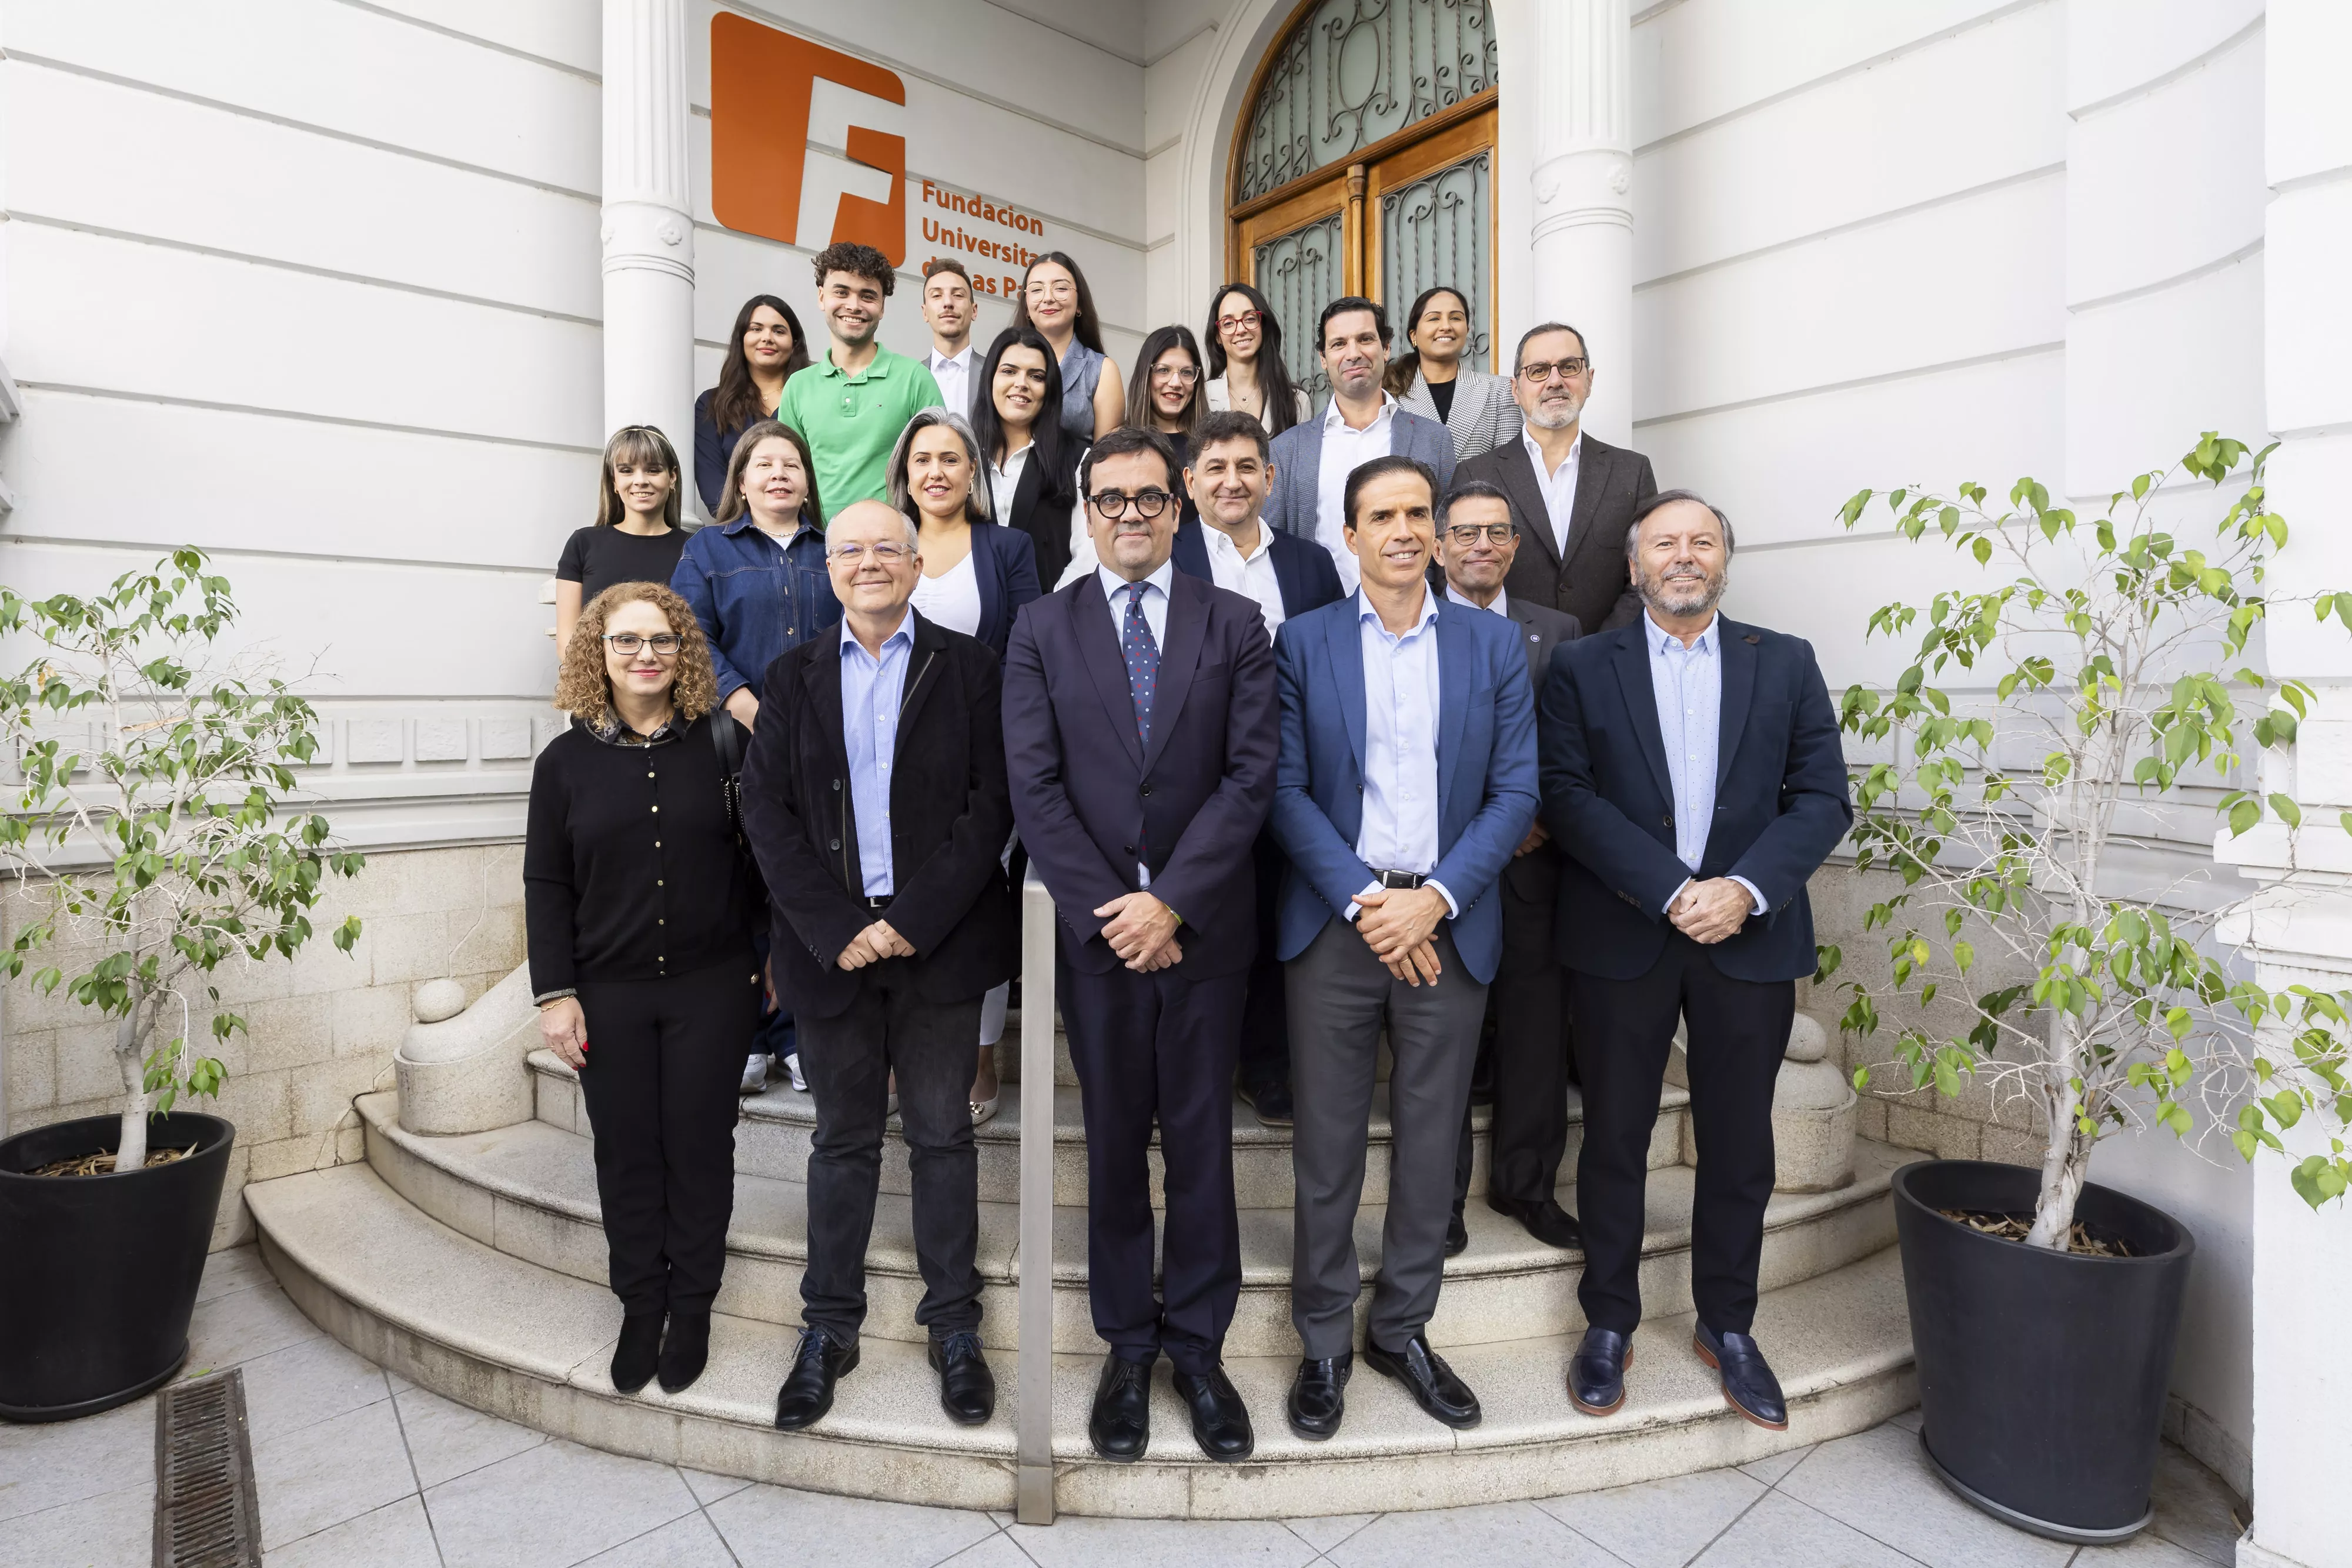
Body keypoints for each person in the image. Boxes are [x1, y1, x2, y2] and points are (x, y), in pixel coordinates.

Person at [1541, 490, 1851, 1432]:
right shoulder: (1580, 666)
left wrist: (1742, 889)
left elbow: (1822, 798)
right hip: (1624, 933)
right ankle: (1609, 1319)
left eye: (1702, 541)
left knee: (1740, 1143)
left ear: (1725, 560)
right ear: (1634, 567)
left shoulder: (1786, 661)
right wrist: (1674, 887)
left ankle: (1730, 1321)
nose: (1684, 556)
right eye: (1665, 543)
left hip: (1748, 938)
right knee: (1617, 1139)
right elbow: (1566, 792)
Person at [1001, 426, 1277, 1465]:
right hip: (1098, 937)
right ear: (1087, 510)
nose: (1130, 515)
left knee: (1202, 1148)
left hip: (1205, 936)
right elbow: (1035, 783)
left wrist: (1175, 904)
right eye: (1110, 499)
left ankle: (1198, 1350)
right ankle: (1126, 1347)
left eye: (1149, 499)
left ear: (1180, 508)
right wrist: (1118, 908)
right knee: (1116, 1144)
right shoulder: (1041, 627)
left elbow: (1252, 777)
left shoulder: (1239, 622)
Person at [1267, 454, 1536, 1443]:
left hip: (1449, 923)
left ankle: (1404, 1327)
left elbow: (1516, 791)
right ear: (1350, 534)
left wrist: (1434, 902)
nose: (1405, 529)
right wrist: (1366, 902)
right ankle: (1327, 1340)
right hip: (1338, 924)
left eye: (1419, 511)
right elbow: (1284, 790)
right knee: (1329, 1146)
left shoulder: (1491, 644)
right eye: (1382, 514)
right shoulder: (1303, 643)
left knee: (1432, 1144)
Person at [741, 501, 1017, 1433]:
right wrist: (838, 927)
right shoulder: (791, 676)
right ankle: (829, 1327)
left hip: (936, 948)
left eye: (885, 549)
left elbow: (994, 807)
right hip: (833, 954)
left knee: (942, 1135)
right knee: (842, 1140)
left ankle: (954, 1328)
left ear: (914, 564)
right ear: (831, 569)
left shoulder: (971, 668)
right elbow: (765, 815)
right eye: (850, 549)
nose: (868, 563)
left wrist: (910, 920)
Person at [526, 582, 761, 1401]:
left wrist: (767, 963)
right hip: (609, 992)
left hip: (714, 986)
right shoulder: (562, 764)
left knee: (700, 1146)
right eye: (626, 641)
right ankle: (641, 1301)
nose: (646, 654)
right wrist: (555, 994)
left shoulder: (723, 742)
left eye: (662, 639)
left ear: (684, 649)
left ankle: (692, 1303)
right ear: (598, 651)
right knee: (625, 1151)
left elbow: (758, 861)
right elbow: (546, 883)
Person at [1167, 409, 1344, 1125]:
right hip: (1194, 781)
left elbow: (1335, 667)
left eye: (1246, 467)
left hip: (1293, 774)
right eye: (1215, 468)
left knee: (1278, 919)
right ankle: (1189, 1067)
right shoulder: (1166, 554)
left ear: (1270, 478)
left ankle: (1267, 1065)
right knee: (1199, 920)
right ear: (1189, 482)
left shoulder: (1309, 563)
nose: (1232, 481)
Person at [1428, 481, 1583, 1257]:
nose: (1480, 544)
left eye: (1495, 531)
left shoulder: (1558, 630)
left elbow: (1574, 738)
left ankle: (1527, 1183)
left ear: (1515, 545)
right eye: (1464, 532)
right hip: (1443, 867)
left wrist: (1530, 819)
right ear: (1438, 544)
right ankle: (1441, 1194)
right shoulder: (1412, 621)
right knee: (1447, 1038)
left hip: (1535, 861)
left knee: (1533, 1033)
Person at [673, 420, 840, 1095]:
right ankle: (747, 1034)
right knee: (738, 889)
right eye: (763, 464)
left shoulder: (833, 549)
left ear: (806, 481)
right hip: (731, 744)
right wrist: (750, 707)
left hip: (822, 744)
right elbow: (688, 633)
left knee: (801, 884)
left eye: (791, 464)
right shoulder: (708, 550)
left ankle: (796, 1035)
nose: (779, 474)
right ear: (740, 481)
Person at [886, 408, 1041, 1123]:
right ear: (905, 473)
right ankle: (904, 1042)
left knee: (974, 902)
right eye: (923, 460)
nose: (937, 472)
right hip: (891, 757)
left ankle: (979, 1053)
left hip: (984, 754)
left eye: (950, 459)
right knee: (901, 894)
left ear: (972, 472)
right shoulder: (884, 544)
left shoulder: (1006, 548)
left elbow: (1026, 646)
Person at [1455, 322, 1659, 634]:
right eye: (1538, 370)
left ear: (1589, 380)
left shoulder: (1631, 472)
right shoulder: (1475, 473)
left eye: (1568, 367)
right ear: (1516, 389)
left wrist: (1600, 649)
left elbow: (1647, 573)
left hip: (1603, 661)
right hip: (1507, 662)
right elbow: (1455, 574)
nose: (1555, 381)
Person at [1264, 296, 1455, 594]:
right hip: (1319, 619)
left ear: (1386, 348)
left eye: (1365, 339)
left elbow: (1447, 540)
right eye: (1339, 344)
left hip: (1412, 617)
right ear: (1323, 359)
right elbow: (1274, 545)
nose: (1353, 354)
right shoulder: (1287, 450)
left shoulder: (1434, 440)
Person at [777, 242, 946, 517]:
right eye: (841, 292)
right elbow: (788, 471)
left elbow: (937, 470)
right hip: (817, 549)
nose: (853, 306)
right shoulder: (798, 387)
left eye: (867, 296)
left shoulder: (914, 379)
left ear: (882, 307)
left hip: (894, 548)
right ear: (822, 297)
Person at [971, 326, 1088, 591]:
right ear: (990, 378)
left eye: (1036, 376)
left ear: (1049, 389)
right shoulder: (964, 454)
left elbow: (1087, 556)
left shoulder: (1078, 457)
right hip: (973, 621)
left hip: (1050, 617)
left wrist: (1049, 614)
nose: (1021, 383)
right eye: (1009, 371)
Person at [556, 426, 689, 652]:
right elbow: (568, 643)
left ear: (672, 477)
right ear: (614, 482)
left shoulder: (696, 548)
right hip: (597, 683)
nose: (640, 480)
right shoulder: (583, 544)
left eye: (653, 470)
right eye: (627, 471)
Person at [694, 296, 811, 516]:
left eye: (778, 331)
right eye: (756, 329)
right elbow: (713, 487)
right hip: (738, 532)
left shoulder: (813, 399)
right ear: (742, 338)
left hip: (807, 530)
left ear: (794, 343)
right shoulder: (712, 405)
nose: (767, 338)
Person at [1388, 286, 1521, 462]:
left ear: (1467, 330)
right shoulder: (1390, 393)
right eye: (1434, 318)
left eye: (1455, 318)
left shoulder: (1500, 391)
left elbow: (1511, 465)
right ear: (1414, 336)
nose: (1446, 326)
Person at [1009, 251, 1122, 441]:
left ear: (1079, 305)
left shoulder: (1102, 370)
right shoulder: (1004, 363)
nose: (1048, 298)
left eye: (1061, 289)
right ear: (1026, 307)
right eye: (1037, 290)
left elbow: (1107, 460)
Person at [1202, 282, 1312, 435]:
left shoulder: (1297, 401)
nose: (1241, 330)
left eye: (1250, 319)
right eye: (1228, 323)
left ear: (1263, 326)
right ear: (1218, 337)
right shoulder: (1202, 397)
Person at [920, 259, 980, 422]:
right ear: (925, 313)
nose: (948, 303)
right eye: (937, 295)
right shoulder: (910, 378)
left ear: (974, 311)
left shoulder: (996, 373)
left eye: (958, 295)